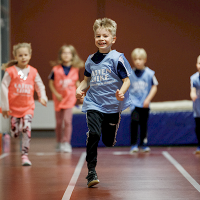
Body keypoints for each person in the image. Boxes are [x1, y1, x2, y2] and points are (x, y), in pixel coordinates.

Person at [76, 18, 132, 188]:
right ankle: (91, 171)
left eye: (105, 36)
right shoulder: (90, 60)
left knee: (108, 141)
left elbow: (127, 80)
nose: (101, 39)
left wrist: (121, 92)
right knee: (93, 133)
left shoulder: (117, 58)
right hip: (94, 102)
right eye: (98, 36)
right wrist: (80, 88)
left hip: (112, 105)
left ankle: (110, 129)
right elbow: (86, 80)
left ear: (113, 39)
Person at [1, 43, 48, 166]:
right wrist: (5, 107)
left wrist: (42, 97)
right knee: (15, 133)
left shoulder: (33, 71)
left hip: (28, 107)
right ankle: (10, 134)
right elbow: (3, 87)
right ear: (15, 56)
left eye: (25, 55)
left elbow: (40, 85)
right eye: (20, 55)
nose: (23, 57)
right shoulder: (10, 71)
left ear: (30, 55)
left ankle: (25, 155)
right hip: (13, 108)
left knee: (27, 128)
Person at [49, 45, 84, 153]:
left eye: (69, 53)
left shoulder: (75, 69)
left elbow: (77, 82)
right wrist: (56, 94)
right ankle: (59, 142)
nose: (66, 55)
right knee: (59, 122)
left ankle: (66, 142)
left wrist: (80, 92)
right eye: (64, 53)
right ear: (60, 55)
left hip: (70, 99)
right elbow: (51, 84)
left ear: (72, 56)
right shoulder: (55, 69)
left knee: (67, 121)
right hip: (58, 99)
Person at [129, 48, 158, 153]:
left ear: (145, 60)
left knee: (143, 124)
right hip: (134, 104)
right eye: (135, 59)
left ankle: (144, 143)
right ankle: (134, 144)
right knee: (134, 122)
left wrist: (148, 99)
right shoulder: (130, 74)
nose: (138, 61)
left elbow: (155, 86)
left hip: (145, 104)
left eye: (140, 59)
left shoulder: (150, 74)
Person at [190, 55, 200, 154]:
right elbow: (192, 90)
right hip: (198, 108)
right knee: (198, 128)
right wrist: (192, 94)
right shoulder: (194, 78)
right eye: (199, 63)